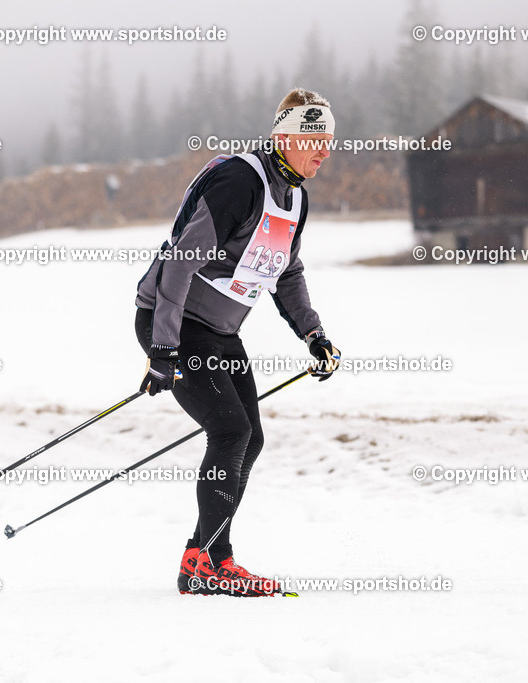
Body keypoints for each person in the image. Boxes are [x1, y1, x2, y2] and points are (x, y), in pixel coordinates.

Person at [134, 87, 341, 597]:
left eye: (329, 140)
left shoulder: (295, 197)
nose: (324, 150)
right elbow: (180, 264)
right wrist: (163, 350)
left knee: (250, 437)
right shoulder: (240, 182)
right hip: (174, 323)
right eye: (314, 139)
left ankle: (208, 558)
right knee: (230, 430)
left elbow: (286, 271)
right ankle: (205, 562)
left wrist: (313, 333)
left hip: (221, 332)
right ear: (284, 137)